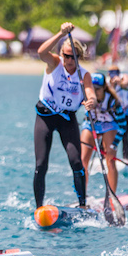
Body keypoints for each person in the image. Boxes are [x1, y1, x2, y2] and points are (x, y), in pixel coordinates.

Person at [32, 23, 88, 208]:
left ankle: (82, 204)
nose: (69, 60)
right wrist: (61, 34)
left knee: (76, 162)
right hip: (45, 117)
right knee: (41, 165)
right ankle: (39, 207)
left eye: (73, 57)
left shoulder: (83, 74)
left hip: (67, 120)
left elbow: (91, 93)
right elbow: (41, 52)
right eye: (66, 55)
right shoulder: (55, 63)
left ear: (79, 57)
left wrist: (92, 101)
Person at [80, 71, 125, 196]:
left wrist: (114, 145)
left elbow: (123, 126)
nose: (94, 92)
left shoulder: (113, 101)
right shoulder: (86, 96)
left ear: (104, 88)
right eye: (92, 88)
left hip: (109, 126)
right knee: (82, 160)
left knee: (110, 160)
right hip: (91, 124)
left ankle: (112, 196)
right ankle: (82, 196)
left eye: (98, 89)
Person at [108, 65, 128, 161]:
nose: (114, 75)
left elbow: (126, 83)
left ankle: (126, 159)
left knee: (125, 136)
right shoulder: (107, 82)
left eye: (116, 72)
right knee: (108, 134)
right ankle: (104, 157)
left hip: (126, 112)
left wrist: (119, 82)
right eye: (112, 73)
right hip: (113, 114)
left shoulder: (124, 77)